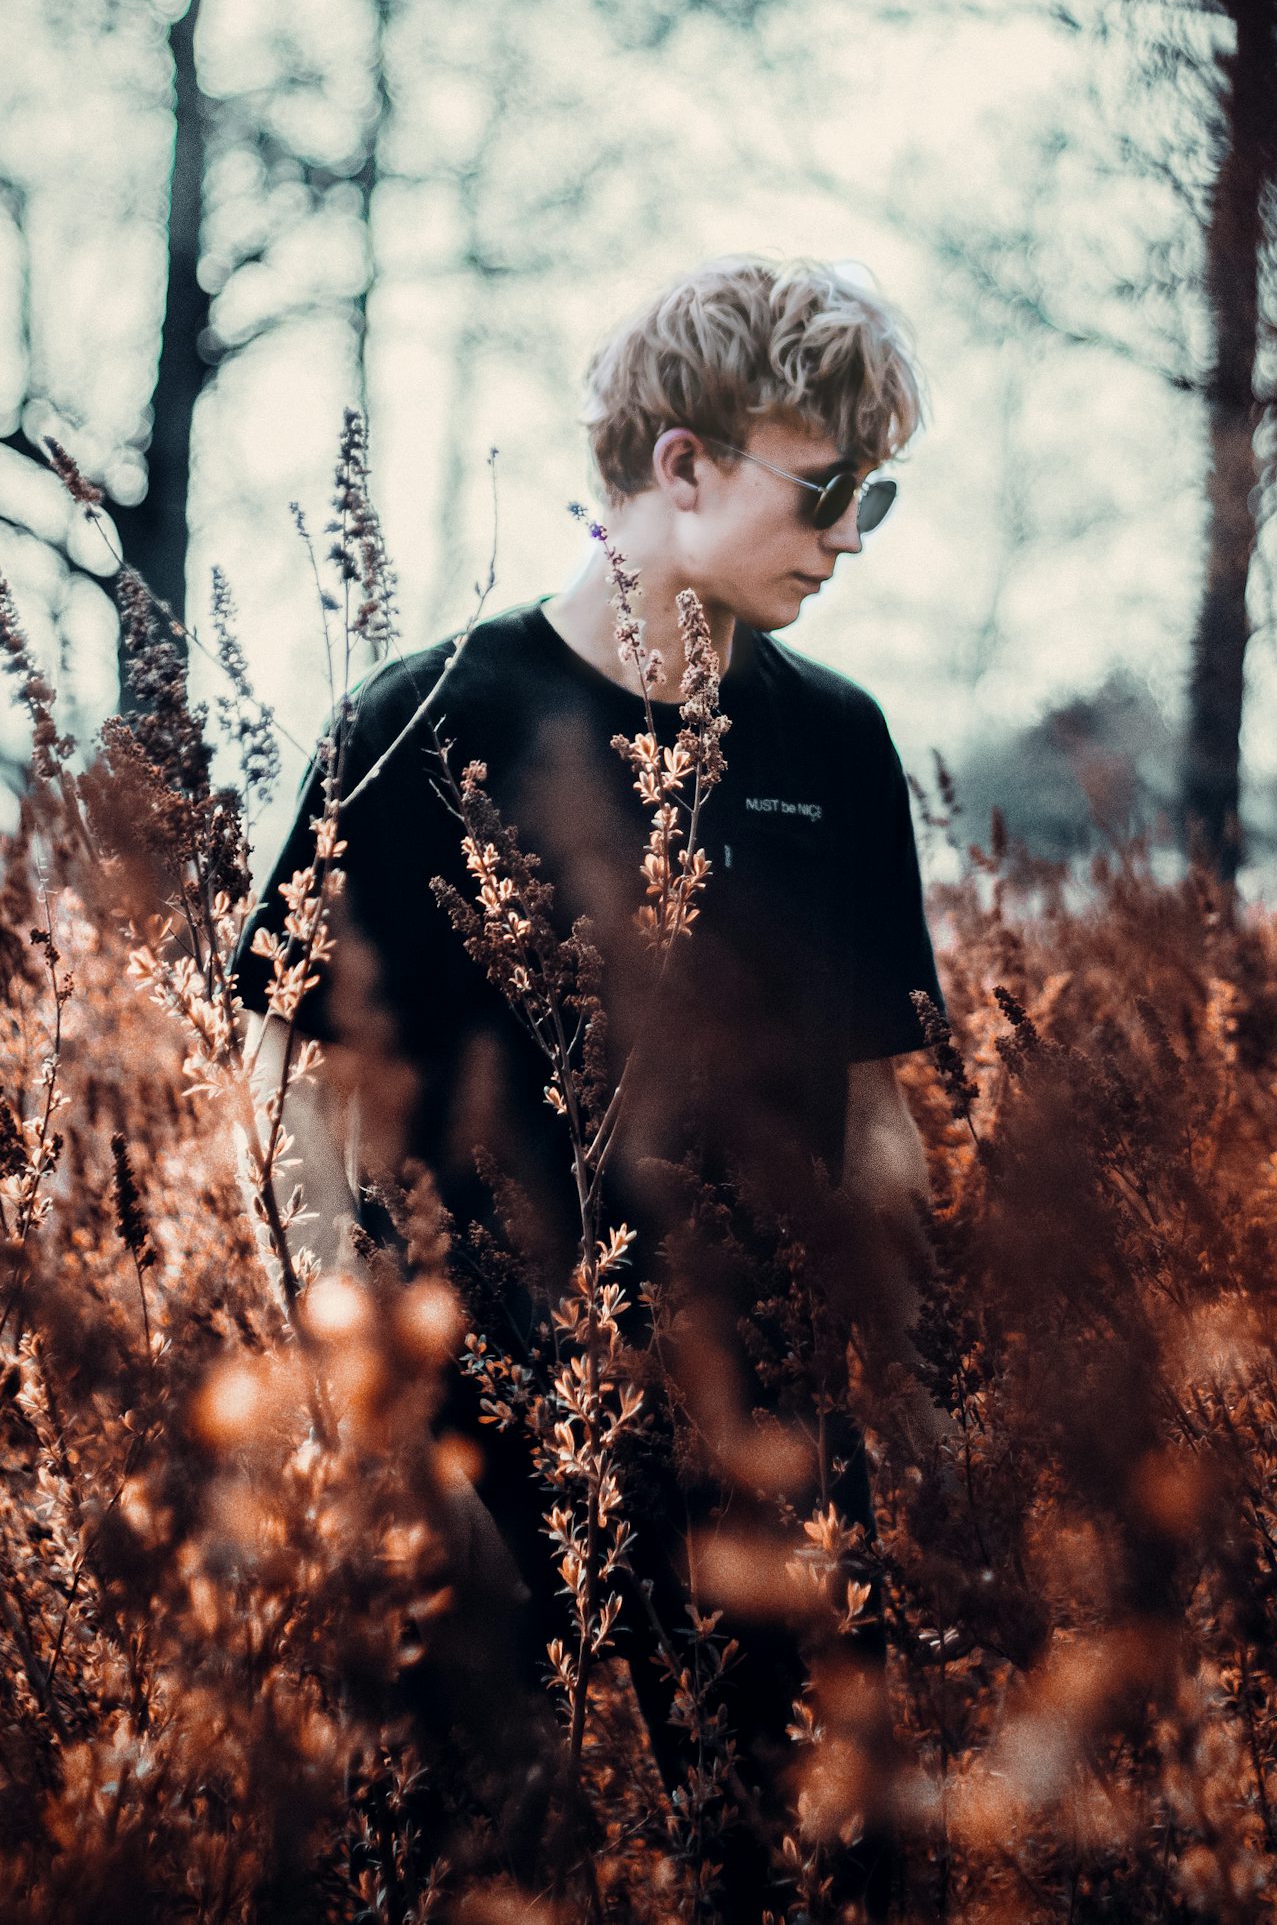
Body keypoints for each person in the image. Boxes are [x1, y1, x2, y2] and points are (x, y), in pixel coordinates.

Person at [235, 256, 942, 1911]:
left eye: (876, 498)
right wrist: (389, 1446)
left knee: (815, 1881)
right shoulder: (420, 728)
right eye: (823, 487)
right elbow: (305, 1124)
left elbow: (880, 1124)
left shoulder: (839, 746)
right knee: (468, 1874)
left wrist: (917, 1400)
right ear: (681, 464)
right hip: (485, 1436)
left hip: (769, 1449)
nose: (846, 536)